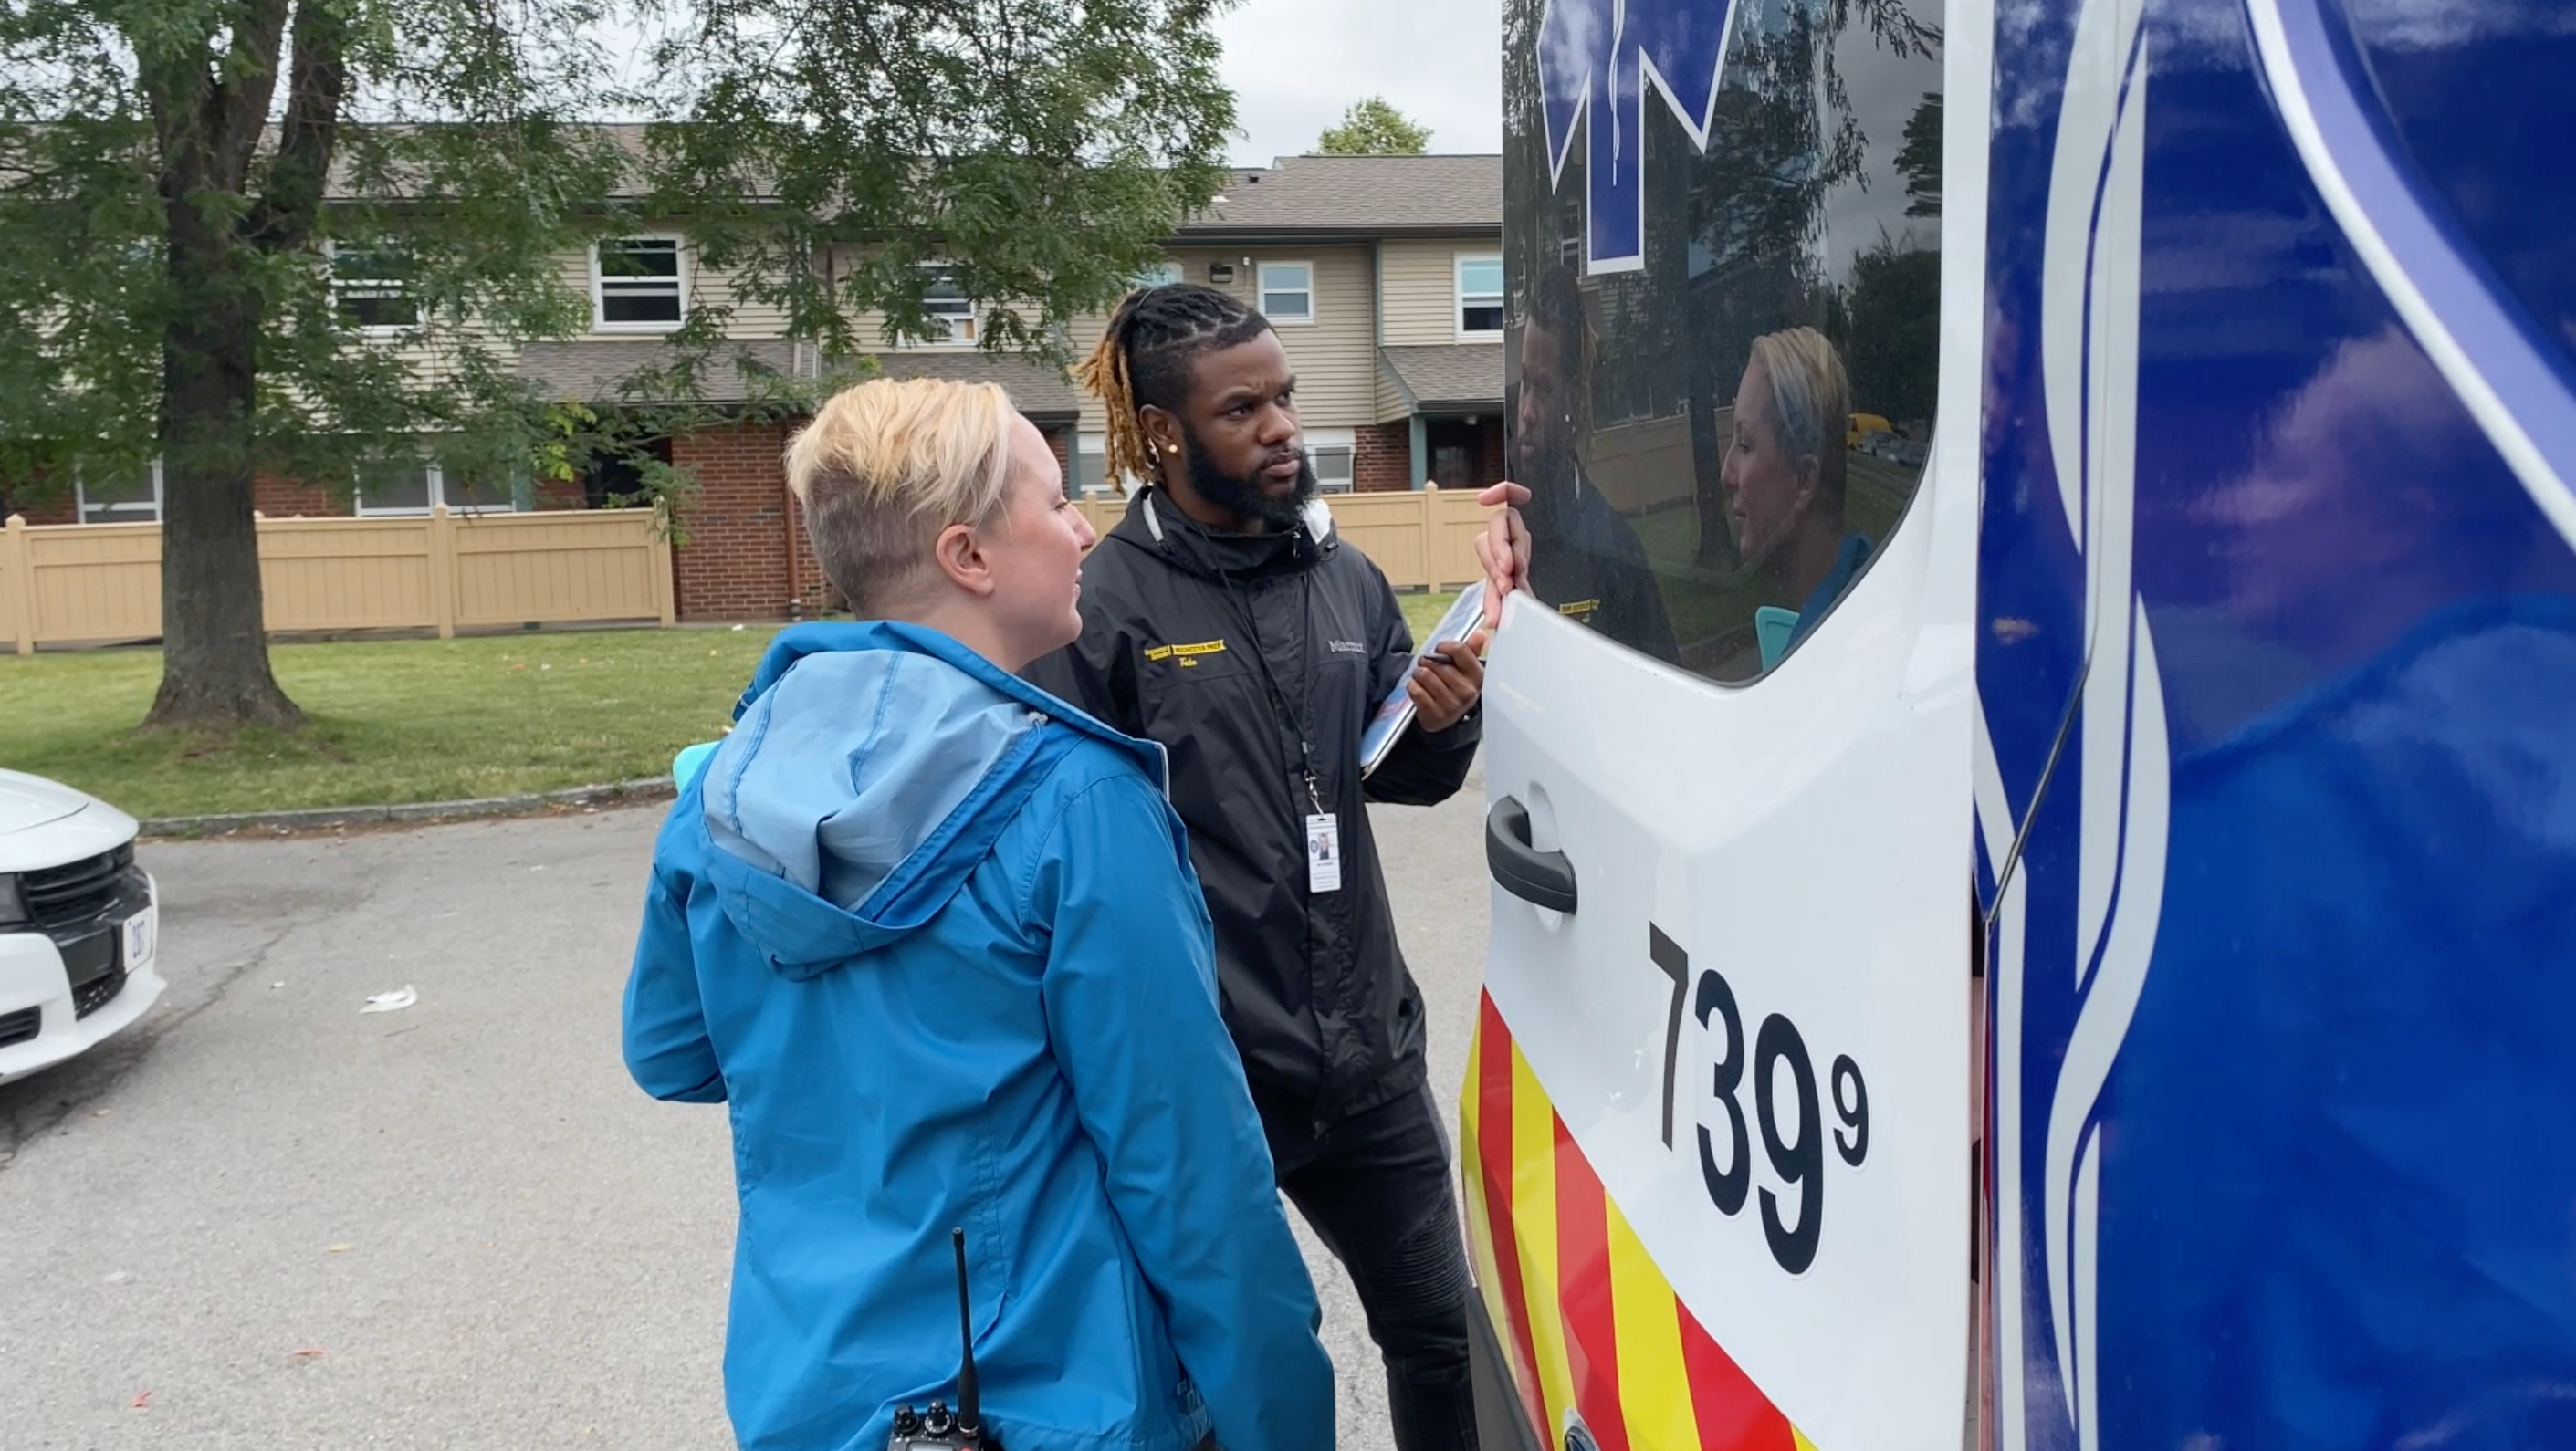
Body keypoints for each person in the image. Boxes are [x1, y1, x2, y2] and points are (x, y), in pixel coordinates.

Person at [621, 377, 1334, 1451]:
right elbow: (1192, 1180)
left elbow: (673, 1050)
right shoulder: (1080, 804)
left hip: (814, 1393)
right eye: (1054, 502)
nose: (1085, 528)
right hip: (1053, 1402)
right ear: (968, 556)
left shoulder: (720, 795)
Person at [1025, 283, 1485, 1451]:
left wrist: (1442, 722)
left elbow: (1402, 780)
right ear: (1166, 433)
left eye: (1284, 396)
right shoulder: (1102, 610)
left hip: (1370, 1057)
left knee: (1438, 1337)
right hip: (1211, 1079)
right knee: (1221, 1369)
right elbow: (1064, 859)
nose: (1282, 427)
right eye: (1243, 410)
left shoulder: (1347, 582)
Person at [1505, 265, 1678, 661]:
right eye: (1525, 383)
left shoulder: (1614, 551)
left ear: (1575, 401)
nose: (1526, 411)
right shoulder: (1498, 530)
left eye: (1544, 389)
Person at [1722, 326, 1871, 649]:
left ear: (1803, 480)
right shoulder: (1865, 594)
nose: (1725, 474)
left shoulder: (1831, 657)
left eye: (1745, 444)